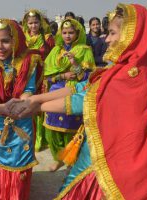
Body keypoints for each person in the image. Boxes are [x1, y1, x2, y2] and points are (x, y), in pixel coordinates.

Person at [10, 4, 147, 199]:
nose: (107, 39)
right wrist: (36, 99)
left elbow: (87, 100)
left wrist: (34, 107)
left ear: (131, 34)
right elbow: (84, 86)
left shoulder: (133, 75)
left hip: (111, 159)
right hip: (111, 150)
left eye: (112, 33)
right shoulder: (132, 67)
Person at [0, 19, 43, 200]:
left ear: (15, 40)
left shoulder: (29, 61)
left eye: (5, 41)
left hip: (21, 118)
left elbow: (28, 90)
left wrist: (21, 104)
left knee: (18, 171)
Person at [43, 18, 95, 171]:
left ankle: (70, 159)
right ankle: (57, 158)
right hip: (56, 92)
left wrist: (75, 63)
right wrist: (62, 76)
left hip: (74, 93)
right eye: (64, 32)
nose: (67, 36)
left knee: (71, 130)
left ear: (77, 33)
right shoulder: (55, 51)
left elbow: (86, 78)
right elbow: (46, 77)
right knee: (52, 130)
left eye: (71, 32)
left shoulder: (84, 50)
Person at [22, 9, 55, 152]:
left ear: (40, 23)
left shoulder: (47, 38)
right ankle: (30, 135)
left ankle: (40, 139)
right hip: (27, 75)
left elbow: (53, 56)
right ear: (26, 24)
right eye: (30, 23)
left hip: (43, 75)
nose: (33, 26)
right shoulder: (22, 37)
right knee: (28, 103)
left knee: (41, 105)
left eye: (36, 22)